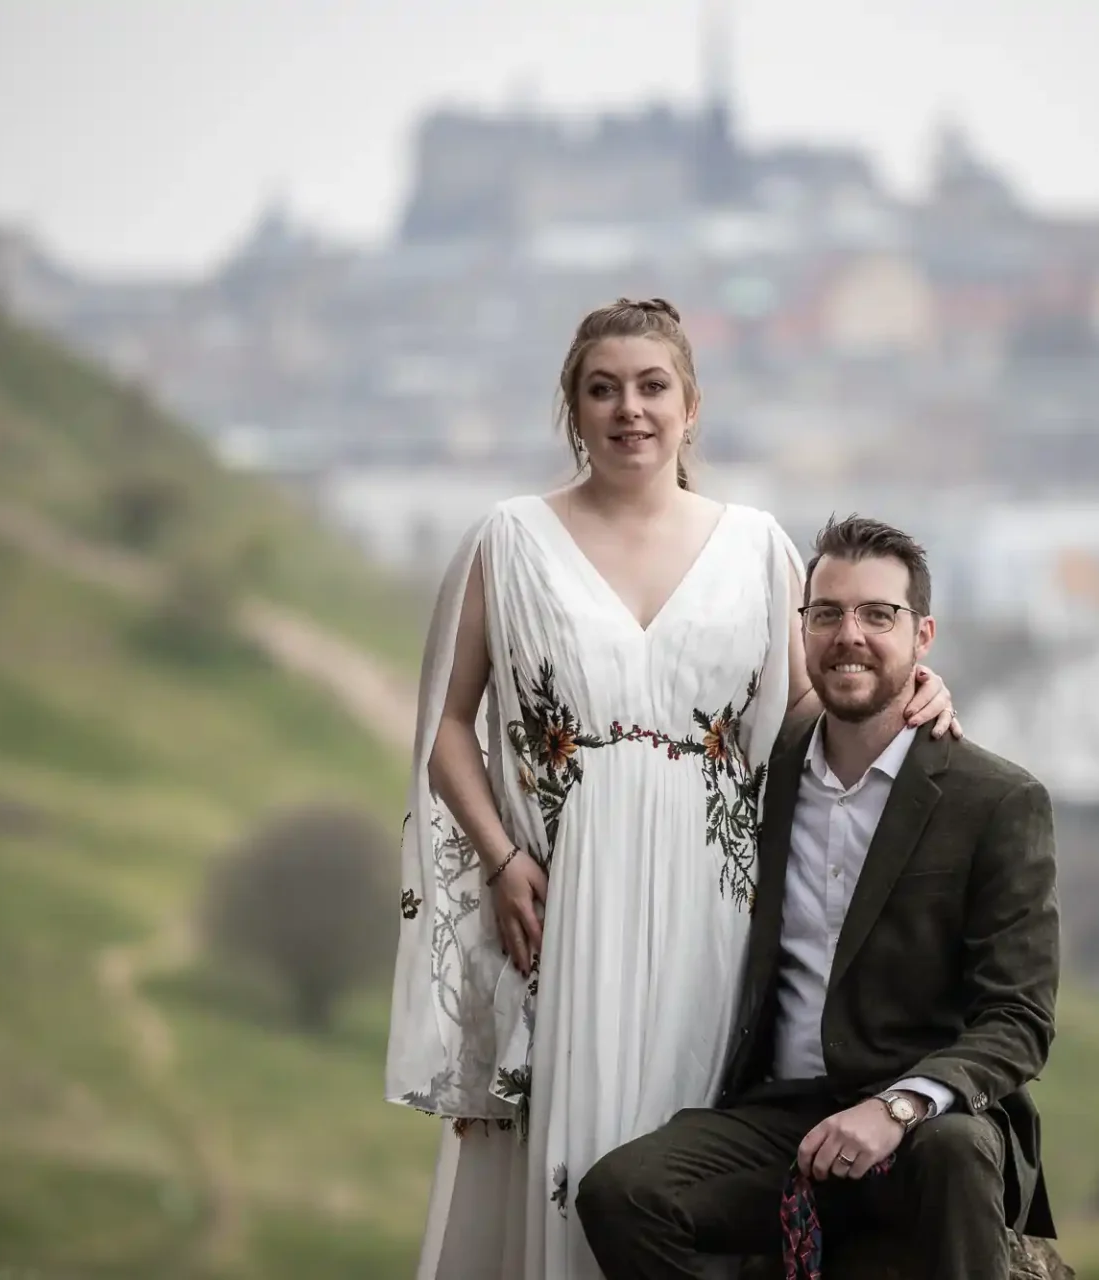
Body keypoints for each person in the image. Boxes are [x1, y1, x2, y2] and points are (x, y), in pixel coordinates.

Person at [384, 299, 965, 1279]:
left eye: (652, 386)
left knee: (682, 1151)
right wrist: (502, 858)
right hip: (564, 906)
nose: (629, 409)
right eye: (601, 387)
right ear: (573, 406)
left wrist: (914, 687)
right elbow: (447, 727)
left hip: (718, 910)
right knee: (572, 1155)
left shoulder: (756, 546)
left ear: (691, 406)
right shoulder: (509, 540)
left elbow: (809, 718)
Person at [572, 514, 1061, 1280]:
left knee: (960, 1149)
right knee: (621, 1194)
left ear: (922, 636)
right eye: (828, 613)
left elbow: (1020, 1020)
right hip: (785, 1119)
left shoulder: (996, 800)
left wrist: (898, 1107)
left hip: (929, 1133)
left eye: (878, 615)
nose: (850, 634)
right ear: (802, 631)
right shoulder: (763, 776)